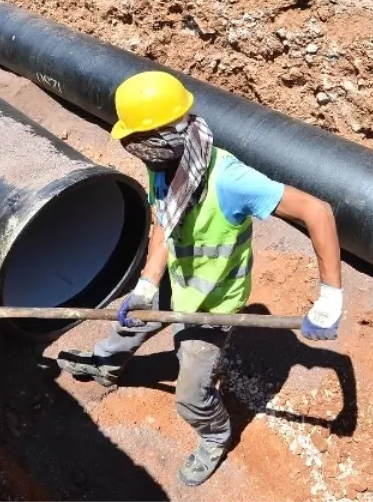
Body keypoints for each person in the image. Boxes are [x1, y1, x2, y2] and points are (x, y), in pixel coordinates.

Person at [58, 71, 343, 487]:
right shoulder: (166, 164)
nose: (130, 146)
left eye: (136, 136)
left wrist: (329, 298)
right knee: (129, 322)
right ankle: (107, 364)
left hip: (212, 303)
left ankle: (215, 435)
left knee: (191, 397)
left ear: (162, 133)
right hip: (178, 278)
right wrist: (148, 284)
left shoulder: (228, 179)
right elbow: (164, 222)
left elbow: (318, 212)